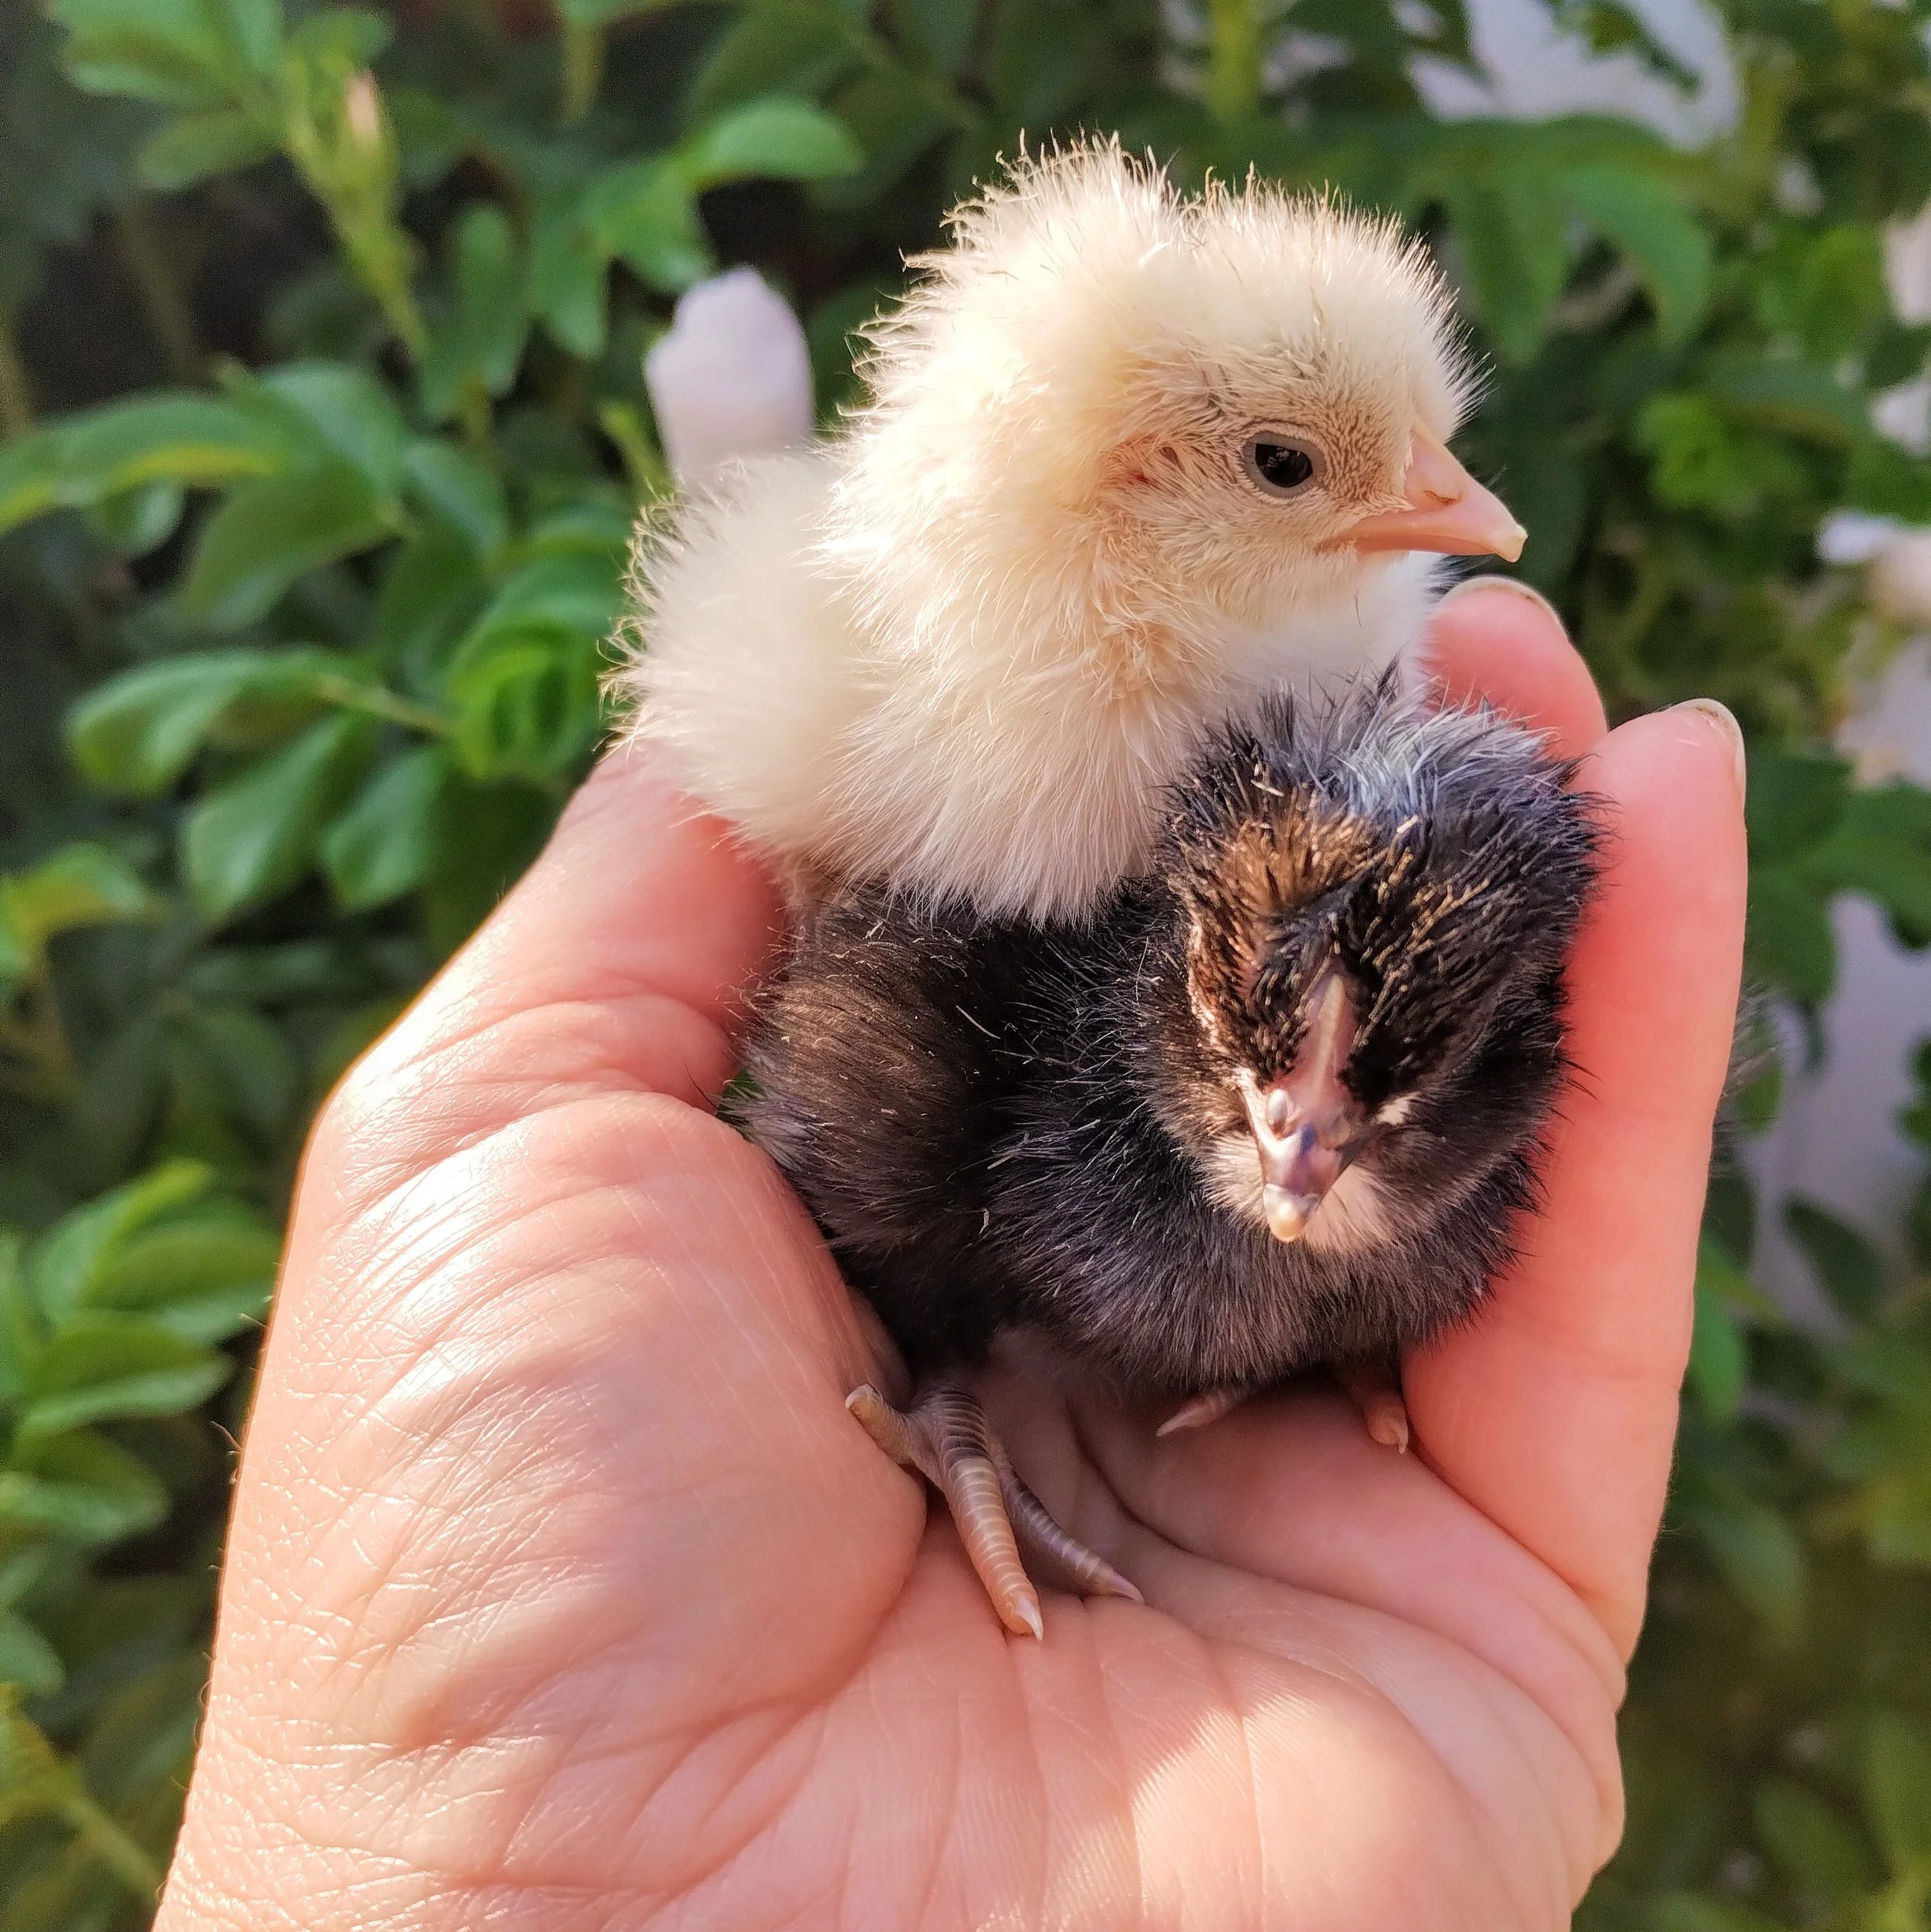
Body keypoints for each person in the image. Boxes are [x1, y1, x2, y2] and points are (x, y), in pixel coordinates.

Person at [154, 579, 1746, 1930]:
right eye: (1254, 1077)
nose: (1297, 1152)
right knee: (898, 1091)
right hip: (925, 1359)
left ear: (1513, 1039)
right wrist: (918, 1374)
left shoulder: (1455, 1196)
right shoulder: (966, 1025)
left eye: (1363, 1103)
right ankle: (937, 1382)